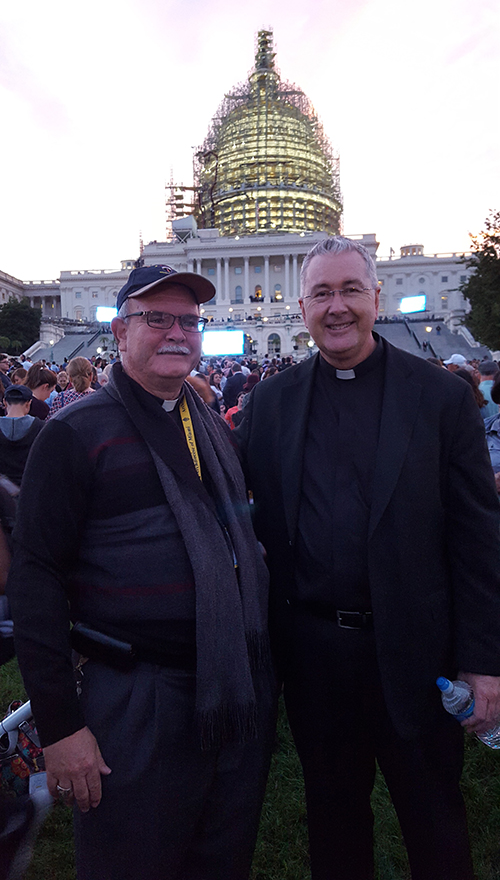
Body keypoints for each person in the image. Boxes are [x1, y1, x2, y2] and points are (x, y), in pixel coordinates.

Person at [235, 236, 500, 880]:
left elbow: (477, 541)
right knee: (333, 818)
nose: (337, 307)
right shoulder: (272, 402)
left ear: (376, 297)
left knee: (434, 817)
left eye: (350, 289)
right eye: (322, 293)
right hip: (315, 655)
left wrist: (484, 665)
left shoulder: (437, 399)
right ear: (302, 306)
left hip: (419, 651)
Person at [7, 264, 275, 880]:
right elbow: (36, 578)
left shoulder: (208, 424)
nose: (177, 332)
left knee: (219, 860)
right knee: (134, 860)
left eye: (188, 320)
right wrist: (61, 725)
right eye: (157, 318)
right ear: (121, 332)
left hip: (230, 687)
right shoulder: (76, 432)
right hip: (139, 698)